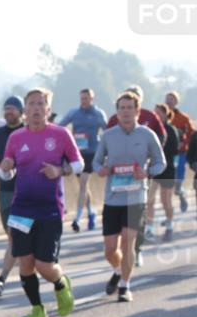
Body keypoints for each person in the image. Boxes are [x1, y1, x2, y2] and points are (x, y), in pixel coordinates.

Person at [0, 88, 82, 317]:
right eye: (31, 104)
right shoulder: (16, 138)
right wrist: (5, 168)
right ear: (25, 109)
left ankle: (61, 282)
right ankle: (37, 310)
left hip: (49, 208)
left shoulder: (61, 134)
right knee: (25, 263)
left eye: (40, 103)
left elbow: (78, 164)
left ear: (48, 109)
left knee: (44, 265)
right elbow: (6, 173)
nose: (36, 108)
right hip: (21, 208)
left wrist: (60, 170)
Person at [94, 91, 166, 301]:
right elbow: (96, 162)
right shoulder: (108, 136)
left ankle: (125, 287)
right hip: (112, 198)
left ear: (137, 111)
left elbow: (161, 162)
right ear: (117, 112)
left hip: (136, 197)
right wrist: (101, 170)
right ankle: (118, 270)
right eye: (122, 108)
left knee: (128, 242)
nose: (125, 112)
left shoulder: (147, 135)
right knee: (110, 250)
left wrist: (147, 172)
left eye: (129, 108)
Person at [0, 96, 24, 296]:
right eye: (6, 108)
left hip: (28, 192)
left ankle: (2, 278)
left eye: (12, 108)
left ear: (21, 111)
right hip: (6, 192)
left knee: (15, 236)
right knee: (13, 236)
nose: (8, 111)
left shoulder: (28, 132)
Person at [55, 88, 107, 232]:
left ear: (92, 99)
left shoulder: (98, 113)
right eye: (82, 98)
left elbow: (107, 131)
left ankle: (77, 218)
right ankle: (91, 213)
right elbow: (60, 126)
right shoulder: (74, 113)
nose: (84, 101)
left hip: (92, 153)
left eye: (86, 98)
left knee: (83, 183)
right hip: (77, 153)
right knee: (84, 186)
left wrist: (104, 150)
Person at [150, 104, 179, 241]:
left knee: (165, 201)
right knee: (149, 200)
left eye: (158, 113)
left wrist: (159, 151)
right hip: (154, 169)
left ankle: (170, 221)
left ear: (165, 114)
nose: (156, 115)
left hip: (167, 169)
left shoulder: (171, 130)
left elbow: (174, 150)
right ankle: (149, 227)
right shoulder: (151, 129)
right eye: (154, 113)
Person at [165, 91, 194, 212]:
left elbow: (191, 134)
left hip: (180, 153)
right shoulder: (160, 117)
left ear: (176, 102)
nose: (169, 101)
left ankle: (181, 194)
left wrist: (185, 143)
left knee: (177, 181)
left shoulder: (183, 118)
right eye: (167, 99)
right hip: (166, 154)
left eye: (172, 99)